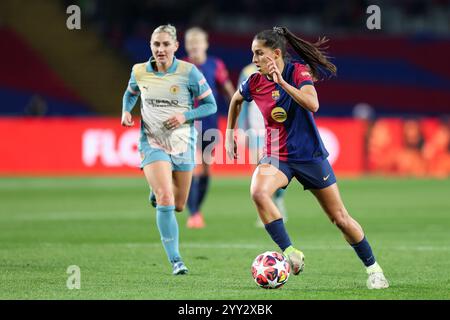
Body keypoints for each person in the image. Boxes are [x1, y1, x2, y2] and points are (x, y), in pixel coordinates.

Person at [225, 26, 389, 289]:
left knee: (340, 218)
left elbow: (313, 105)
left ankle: (374, 269)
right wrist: (229, 133)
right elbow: (235, 100)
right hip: (277, 156)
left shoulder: (297, 71)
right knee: (258, 191)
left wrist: (282, 83)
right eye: (252, 53)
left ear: (275, 53)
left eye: (259, 53)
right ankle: (290, 251)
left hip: (309, 156)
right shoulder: (254, 81)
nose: (254, 59)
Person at [121, 24, 217, 275]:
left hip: (183, 144)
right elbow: (130, 94)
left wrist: (185, 115)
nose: (160, 49)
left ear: (175, 46)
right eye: (156, 44)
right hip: (152, 142)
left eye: (165, 44)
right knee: (166, 198)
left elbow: (211, 105)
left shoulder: (189, 72)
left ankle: (157, 192)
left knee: (179, 205)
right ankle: (176, 260)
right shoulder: (139, 71)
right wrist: (125, 111)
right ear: (151, 46)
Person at [182, 27, 235, 229]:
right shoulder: (181, 67)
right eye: (191, 43)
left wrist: (235, 111)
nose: (194, 46)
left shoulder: (215, 65)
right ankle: (194, 214)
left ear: (205, 44)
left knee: (205, 169)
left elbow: (228, 91)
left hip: (211, 123)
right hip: (188, 123)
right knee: (194, 166)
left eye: (198, 42)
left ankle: (196, 210)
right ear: (186, 45)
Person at [237, 63, 288, 227]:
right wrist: (241, 129)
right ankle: (266, 213)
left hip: (275, 131)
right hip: (256, 130)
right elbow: (242, 103)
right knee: (259, 172)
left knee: (274, 172)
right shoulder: (247, 72)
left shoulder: (280, 71)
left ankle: (278, 204)